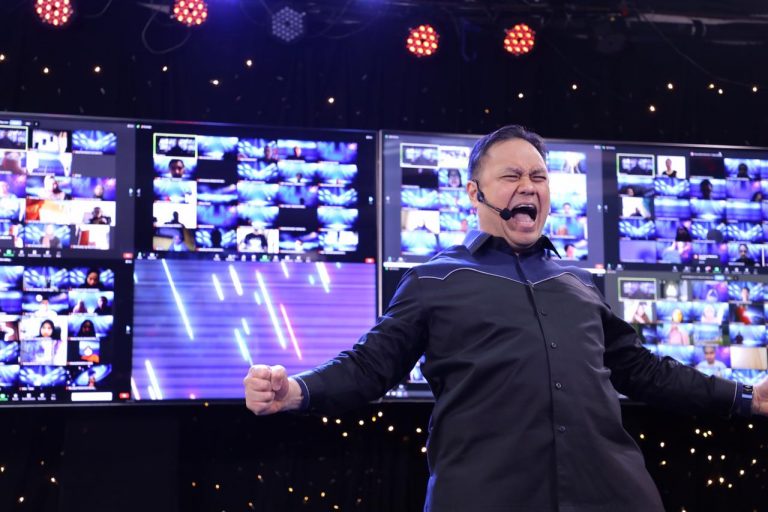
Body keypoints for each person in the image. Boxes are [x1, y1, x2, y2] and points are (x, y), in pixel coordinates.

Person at [244, 125, 768, 512]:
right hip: (486, 497)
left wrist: (746, 398)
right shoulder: (435, 279)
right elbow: (369, 366)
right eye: (512, 175)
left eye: (539, 176)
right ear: (474, 193)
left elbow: (645, 370)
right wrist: (296, 391)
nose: (529, 186)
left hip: (612, 495)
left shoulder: (579, 282)